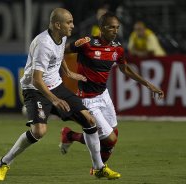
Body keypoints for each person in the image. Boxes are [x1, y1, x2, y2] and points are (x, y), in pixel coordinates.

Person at [0, 8, 120, 181]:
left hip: (56, 86)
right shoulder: (43, 44)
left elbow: (59, 55)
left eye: (72, 21)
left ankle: (99, 168)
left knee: (89, 121)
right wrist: (55, 100)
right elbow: (37, 79)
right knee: (39, 131)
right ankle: (4, 162)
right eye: (69, 22)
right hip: (35, 89)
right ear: (57, 24)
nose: (72, 26)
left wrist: (68, 72)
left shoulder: (61, 36)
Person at [59, 12, 164, 174]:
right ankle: (98, 167)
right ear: (101, 29)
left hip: (104, 96)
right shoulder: (86, 43)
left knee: (113, 134)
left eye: (117, 28)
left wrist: (148, 84)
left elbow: (125, 69)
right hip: (88, 99)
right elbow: (60, 52)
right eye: (111, 27)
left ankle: (70, 136)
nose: (115, 31)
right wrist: (67, 72)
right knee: (110, 139)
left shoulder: (117, 48)